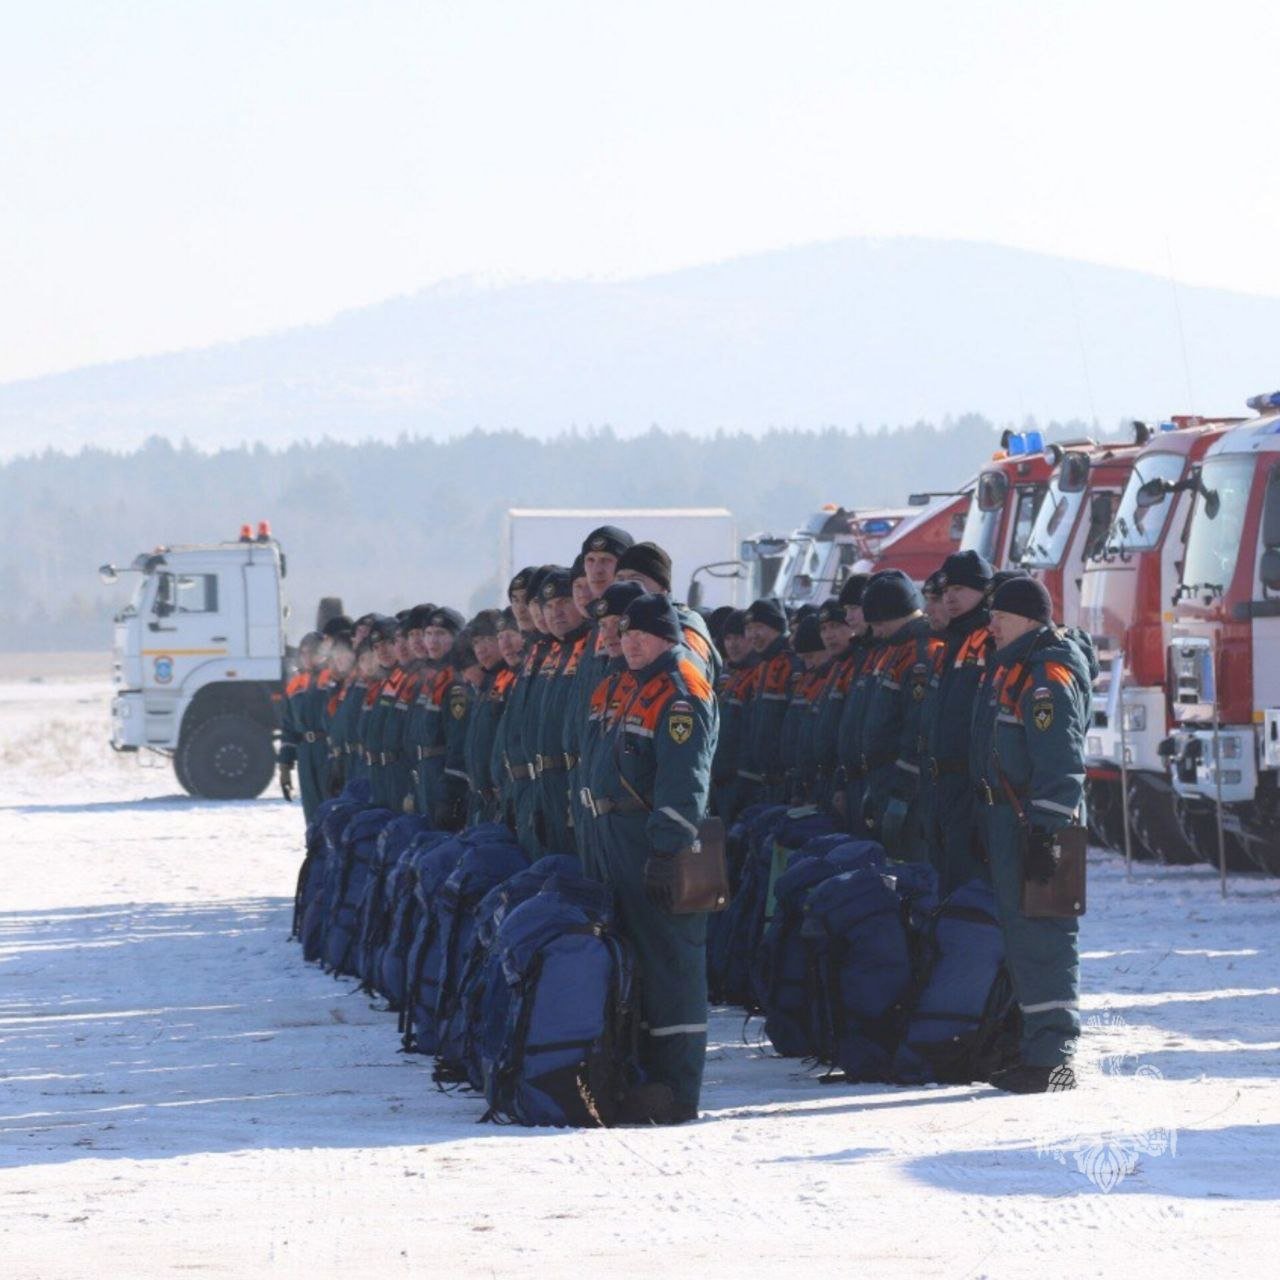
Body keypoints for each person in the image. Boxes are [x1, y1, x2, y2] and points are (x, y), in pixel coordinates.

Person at [586, 592, 718, 1124]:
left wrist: (668, 850)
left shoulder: (681, 692)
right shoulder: (626, 684)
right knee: (637, 961)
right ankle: (643, 1078)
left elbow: (685, 782)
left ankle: (678, 1088)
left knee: (673, 966)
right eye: (625, 634)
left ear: (668, 636)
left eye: (641, 634)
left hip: (657, 844)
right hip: (614, 838)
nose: (630, 642)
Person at [970, 575, 1091, 1094]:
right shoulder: (1013, 669)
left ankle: (1055, 1061)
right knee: (1024, 937)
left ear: (1029, 618)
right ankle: (1034, 1050)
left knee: (1045, 939)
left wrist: (1047, 833)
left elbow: (1062, 765)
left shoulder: (1046, 676)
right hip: (1013, 825)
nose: (991, 623)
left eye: (1001, 615)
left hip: (1041, 827)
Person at [918, 550, 994, 891]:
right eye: (946, 590)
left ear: (984, 592)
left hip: (969, 784)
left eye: (961, 589)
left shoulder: (989, 639)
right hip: (941, 784)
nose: (949, 597)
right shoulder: (953, 641)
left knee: (970, 889)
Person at [857, 570, 944, 857]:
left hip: (904, 786)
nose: (875, 632)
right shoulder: (894, 650)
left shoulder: (920, 655)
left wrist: (903, 792)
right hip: (883, 779)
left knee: (907, 867)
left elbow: (917, 726)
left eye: (879, 624)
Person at [738, 597, 799, 806]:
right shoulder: (763, 665)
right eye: (749, 628)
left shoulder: (792, 663)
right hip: (765, 780)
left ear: (777, 628)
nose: (753, 635)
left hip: (786, 780)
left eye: (759, 627)